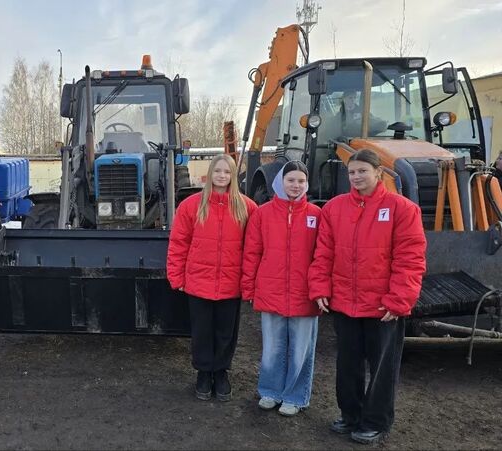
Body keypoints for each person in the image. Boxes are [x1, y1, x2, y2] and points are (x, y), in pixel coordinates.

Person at [309, 149, 426, 444]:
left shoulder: (402, 209)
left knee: (382, 368)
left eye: (363, 171)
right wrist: (321, 288)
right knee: (347, 365)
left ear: (379, 173)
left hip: (383, 307)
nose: (357, 177)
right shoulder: (335, 209)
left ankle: (375, 421)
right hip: (345, 303)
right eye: (352, 172)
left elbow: (410, 258)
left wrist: (399, 300)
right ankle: (350, 415)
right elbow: (323, 254)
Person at [167, 154, 257, 402]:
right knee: (202, 331)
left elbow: (253, 249)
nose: (222, 176)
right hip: (199, 281)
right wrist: (176, 276)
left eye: (227, 172)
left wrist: (249, 282)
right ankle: (204, 373)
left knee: (226, 332)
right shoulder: (192, 205)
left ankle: (221, 372)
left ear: (233, 176)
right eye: (217, 171)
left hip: (231, 282)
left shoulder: (246, 207)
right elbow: (178, 243)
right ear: (210, 174)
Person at [241, 161, 321, 417]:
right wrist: (249, 287)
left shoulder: (316, 215)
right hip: (271, 289)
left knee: (300, 349)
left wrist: (321, 290)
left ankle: (295, 396)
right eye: (291, 180)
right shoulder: (262, 214)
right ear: (280, 182)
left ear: (306, 183)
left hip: (304, 293)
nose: (295, 186)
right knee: (273, 347)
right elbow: (252, 253)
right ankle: (270, 391)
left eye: (300, 181)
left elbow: (323, 255)